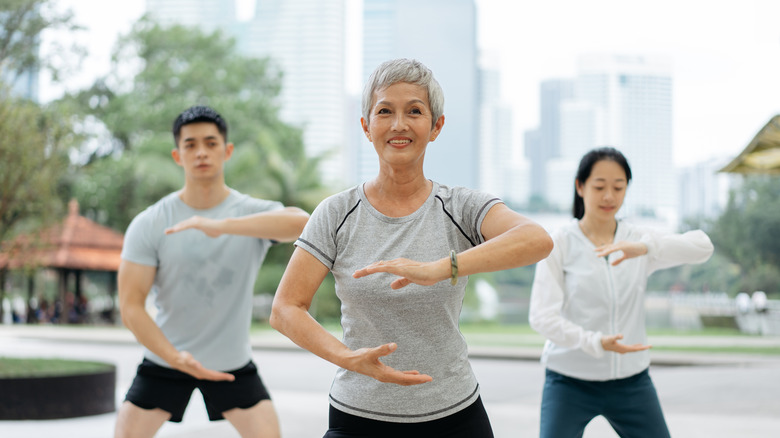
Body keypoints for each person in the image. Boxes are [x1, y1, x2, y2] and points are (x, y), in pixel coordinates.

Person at [269, 58, 554, 438]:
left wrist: (440, 267)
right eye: (385, 111)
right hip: (359, 416)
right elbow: (285, 308)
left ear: (436, 126)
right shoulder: (336, 213)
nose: (399, 124)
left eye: (415, 111)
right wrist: (348, 358)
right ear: (366, 127)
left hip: (455, 415)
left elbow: (537, 240)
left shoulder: (461, 208)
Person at [116, 105, 309, 438]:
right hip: (166, 359)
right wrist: (174, 358)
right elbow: (131, 306)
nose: (201, 152)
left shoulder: (250, 214)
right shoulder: (150, 222)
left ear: (227, 150)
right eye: (190, 145)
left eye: (210, 142)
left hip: (232, 363)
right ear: (178, 155)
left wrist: (222, 226)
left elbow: (304, 223)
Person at [529, 147, 714, 438]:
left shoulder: (638, 239)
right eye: (599, 186)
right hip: (569, 381)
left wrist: (646, 247)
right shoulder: (559, 244)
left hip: (631, 381)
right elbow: (541, 317)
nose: (609, 196)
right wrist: (595, 341)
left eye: (618, 187)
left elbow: (703, 247)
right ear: (580, 186)